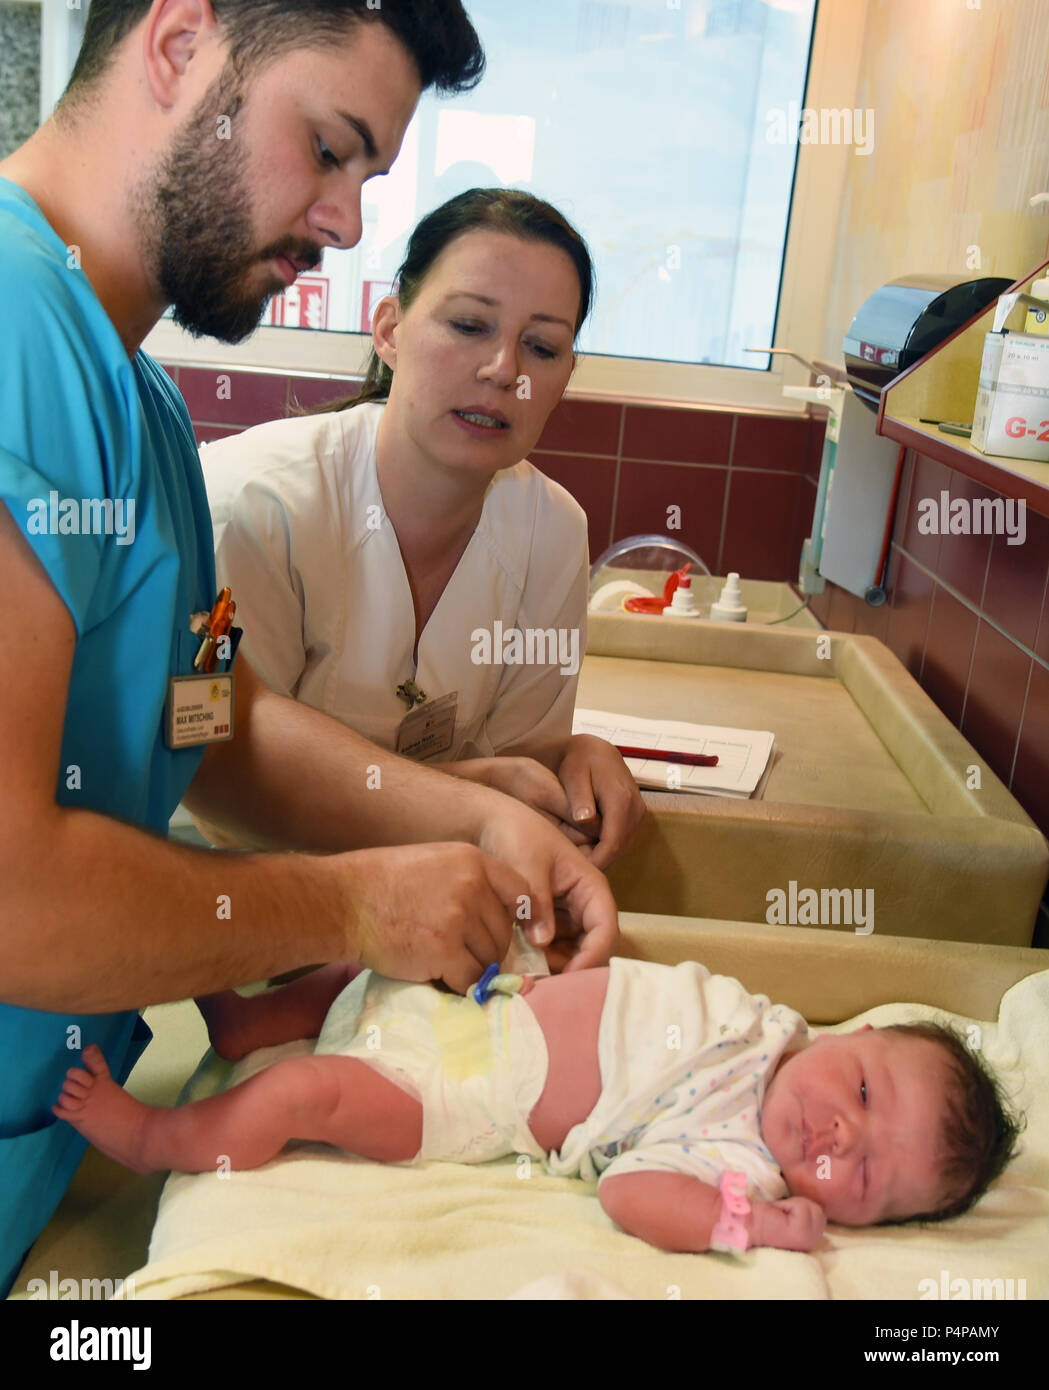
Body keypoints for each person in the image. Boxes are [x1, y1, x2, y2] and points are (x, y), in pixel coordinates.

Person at [0, 0, 619, 1297]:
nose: (345, 219)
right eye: (328, 147)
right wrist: (350, 904)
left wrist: (473, 823)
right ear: (178, 44)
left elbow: (210, 711)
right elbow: (17, 892)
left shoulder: (146, 417)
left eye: (368, 175)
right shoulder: (17, 348)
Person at [199, 188, 648, 869]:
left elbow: (513, 769)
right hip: (221, 898)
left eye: (542, 346)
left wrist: (568, 758)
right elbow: (223, 782)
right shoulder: (255, 508)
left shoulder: (551, 531)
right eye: (469, 326)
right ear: (389, 329)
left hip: (425, 899)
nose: (504, 371)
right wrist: (459, 797)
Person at [53, 958, 1023, 1254]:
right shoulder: (766, 1024)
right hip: (479, 1004)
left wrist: (756, 1221)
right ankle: (253, 1019)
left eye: (857, 1174)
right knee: (365, 961)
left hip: (472, 1093)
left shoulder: (735, 1159)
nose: (834, 1135)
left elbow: (633, 1194)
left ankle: (152, 1137)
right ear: (847, 1033)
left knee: (311, 1093)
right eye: (859, 1090)